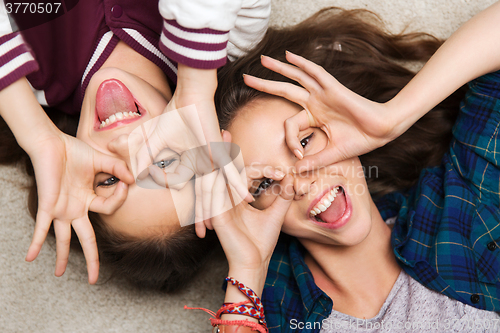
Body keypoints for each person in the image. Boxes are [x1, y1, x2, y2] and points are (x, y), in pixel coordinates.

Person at [200, 3, 500, 332]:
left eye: (303, 141)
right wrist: (248, 271)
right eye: (264, 184)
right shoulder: (274, 311)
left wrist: (391, 118)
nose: (299, 183)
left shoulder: (457, 204)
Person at [0, 0, 268, 291]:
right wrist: (195, 82)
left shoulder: (22, 82)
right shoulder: (227, 38)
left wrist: (36, 134)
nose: (125, 144)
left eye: (109, 178)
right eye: (164, 163)